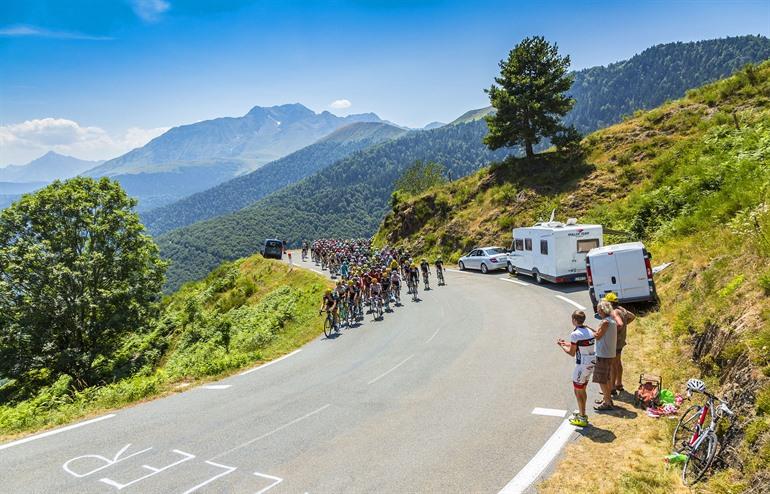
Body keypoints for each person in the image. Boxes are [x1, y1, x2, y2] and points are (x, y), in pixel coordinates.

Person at [557, 310, 595, 427]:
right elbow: (580, 345)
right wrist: (567, 343)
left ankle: (582, 417)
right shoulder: (589, 331)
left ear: (574, 320)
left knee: (578, 391)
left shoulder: (575, 334)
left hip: (581, 365)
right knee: (582, 389)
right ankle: (582, 411)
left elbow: (572, 352)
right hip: (591, 363)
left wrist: (562, 346)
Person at [603, 292, 636, 396]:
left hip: (615, 342)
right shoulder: (622, 310)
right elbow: (632, 316)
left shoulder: (614, 312)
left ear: (610, 303)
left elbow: (619, 324)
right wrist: (625, 323)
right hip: (621, 341)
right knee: (618, 362)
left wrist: (612, 331)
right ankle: (619, 384)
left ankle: (612, 387)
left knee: (613, 365)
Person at [592, 300, 617, 411]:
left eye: (598, 309)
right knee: (606, 378)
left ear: (602, 310)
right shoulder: (612, 321)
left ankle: (607, 402)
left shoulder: (605, 322)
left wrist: (589, 331)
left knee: (602, 379)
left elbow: (597, 336)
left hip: (603, 354)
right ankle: (607, 399)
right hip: (609, 353)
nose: (597, 311)